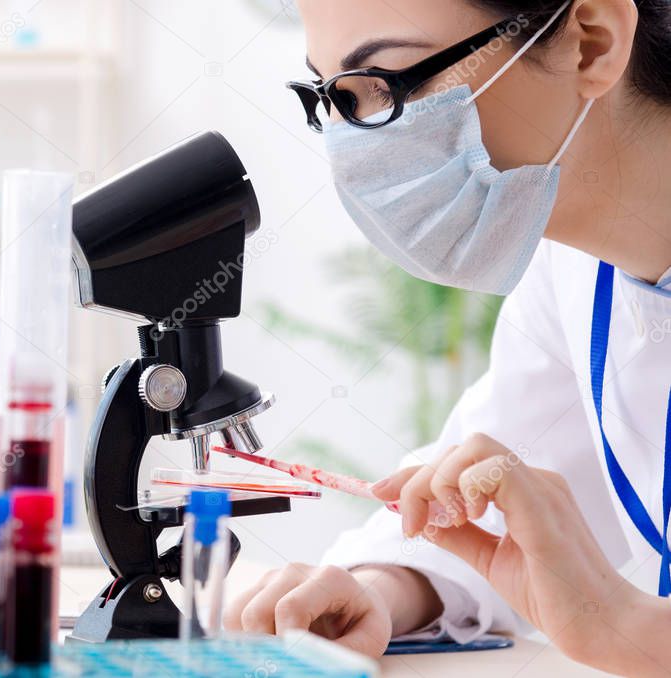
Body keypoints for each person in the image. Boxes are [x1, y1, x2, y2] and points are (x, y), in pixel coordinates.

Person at [225, 0, 671, 674]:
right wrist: (383, 589)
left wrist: (625, 630)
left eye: (389, 82)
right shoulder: (573, 269)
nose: (358, 144)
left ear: (590, 43)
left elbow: (610, 614)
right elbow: (504, 494)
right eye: (337, 97)